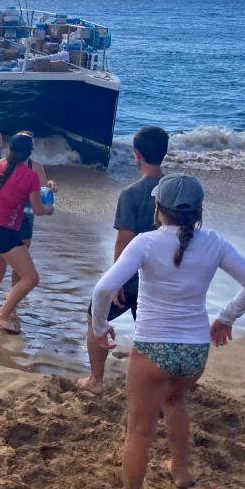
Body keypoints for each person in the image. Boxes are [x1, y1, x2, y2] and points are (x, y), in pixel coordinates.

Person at [90, 174, 245, 489]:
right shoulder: (214, 242)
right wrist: (225, 319)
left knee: (140, 431)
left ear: (158, 208)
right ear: (199, 211)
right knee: (175, 402)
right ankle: (181, 471)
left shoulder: (145, 242)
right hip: (195, 350)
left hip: (154, 348)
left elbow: (102, 290)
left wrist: (100, 328)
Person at [76, 126, 169, 395]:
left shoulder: (132, 193)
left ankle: (96, 380)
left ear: (136, 154)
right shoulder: (175, 192)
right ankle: (157, 387)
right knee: (152, 333)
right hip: (162, 280)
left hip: (133, 279)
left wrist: (117, 280)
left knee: (95, 314)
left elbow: (124, 241)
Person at [0, 134, 54, 333]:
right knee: (30, 278)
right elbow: (38, 209)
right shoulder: (30, 176)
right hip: (4, 229)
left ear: (9, 150)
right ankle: (2, 315)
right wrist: (49, 210)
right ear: (29, 153)